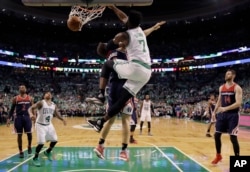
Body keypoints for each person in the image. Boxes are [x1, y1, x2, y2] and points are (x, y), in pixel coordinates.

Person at [92, 20, 165, 160]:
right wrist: (153, 28)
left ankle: (100, 146)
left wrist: (153, 28)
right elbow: (141, 35)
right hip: (125, 87)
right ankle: (123, 151)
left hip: (112, 88)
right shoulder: (125, 50)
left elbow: (141, 35)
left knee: (111, 119)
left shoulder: (111, 54)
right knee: (125, 120)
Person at [87, 5, 165, 133]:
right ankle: (101, 122)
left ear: (129, 22)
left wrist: (105, 45)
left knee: (107, 64)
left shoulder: (124, 35)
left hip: (135, 68)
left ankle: (101, 95)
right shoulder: (139, 30)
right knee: (122, 99)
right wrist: (113, 8)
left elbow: (108, 47)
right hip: (146, 73)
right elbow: (124, 18)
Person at [211, 69, 242, 164]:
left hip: (233, 115)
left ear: (233, 75)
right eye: (226, 73)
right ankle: (218, 155)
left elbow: (238, 103)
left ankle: (238, 162)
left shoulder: (237, 88)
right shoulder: (221, 87)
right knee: (216, 135)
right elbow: (219, 100)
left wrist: (225, 108)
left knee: (233, 137)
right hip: (222, 115)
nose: (226, 75)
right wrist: (214, 112)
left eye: (228, 74)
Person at [28, 91, 66, 167]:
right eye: (46, 93)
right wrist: (31, 114)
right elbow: (30, 108)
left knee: (55, 140)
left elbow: (57, 114)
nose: (48, 93)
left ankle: (47, 152)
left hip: (49, 125)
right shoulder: (41, 103)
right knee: (41, 143)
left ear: (51, 96)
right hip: (40, 125)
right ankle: (35, 158)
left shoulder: (53, 105)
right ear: (44, 96)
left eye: (49, 93)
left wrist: (62, 119)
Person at [6, 85, 34, 158]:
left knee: (29, 134)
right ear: (19, 90)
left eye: (24, 87)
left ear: (26, 89)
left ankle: (29, 146)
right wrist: (9, 118)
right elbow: (12, 109)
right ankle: (21, 151)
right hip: (18, 118)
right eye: (21, 87)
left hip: (27, 117)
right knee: (19, 135)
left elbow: (33, 108)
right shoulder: (15, 98)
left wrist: (34, 116)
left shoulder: (30, 98)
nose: (22, 88)